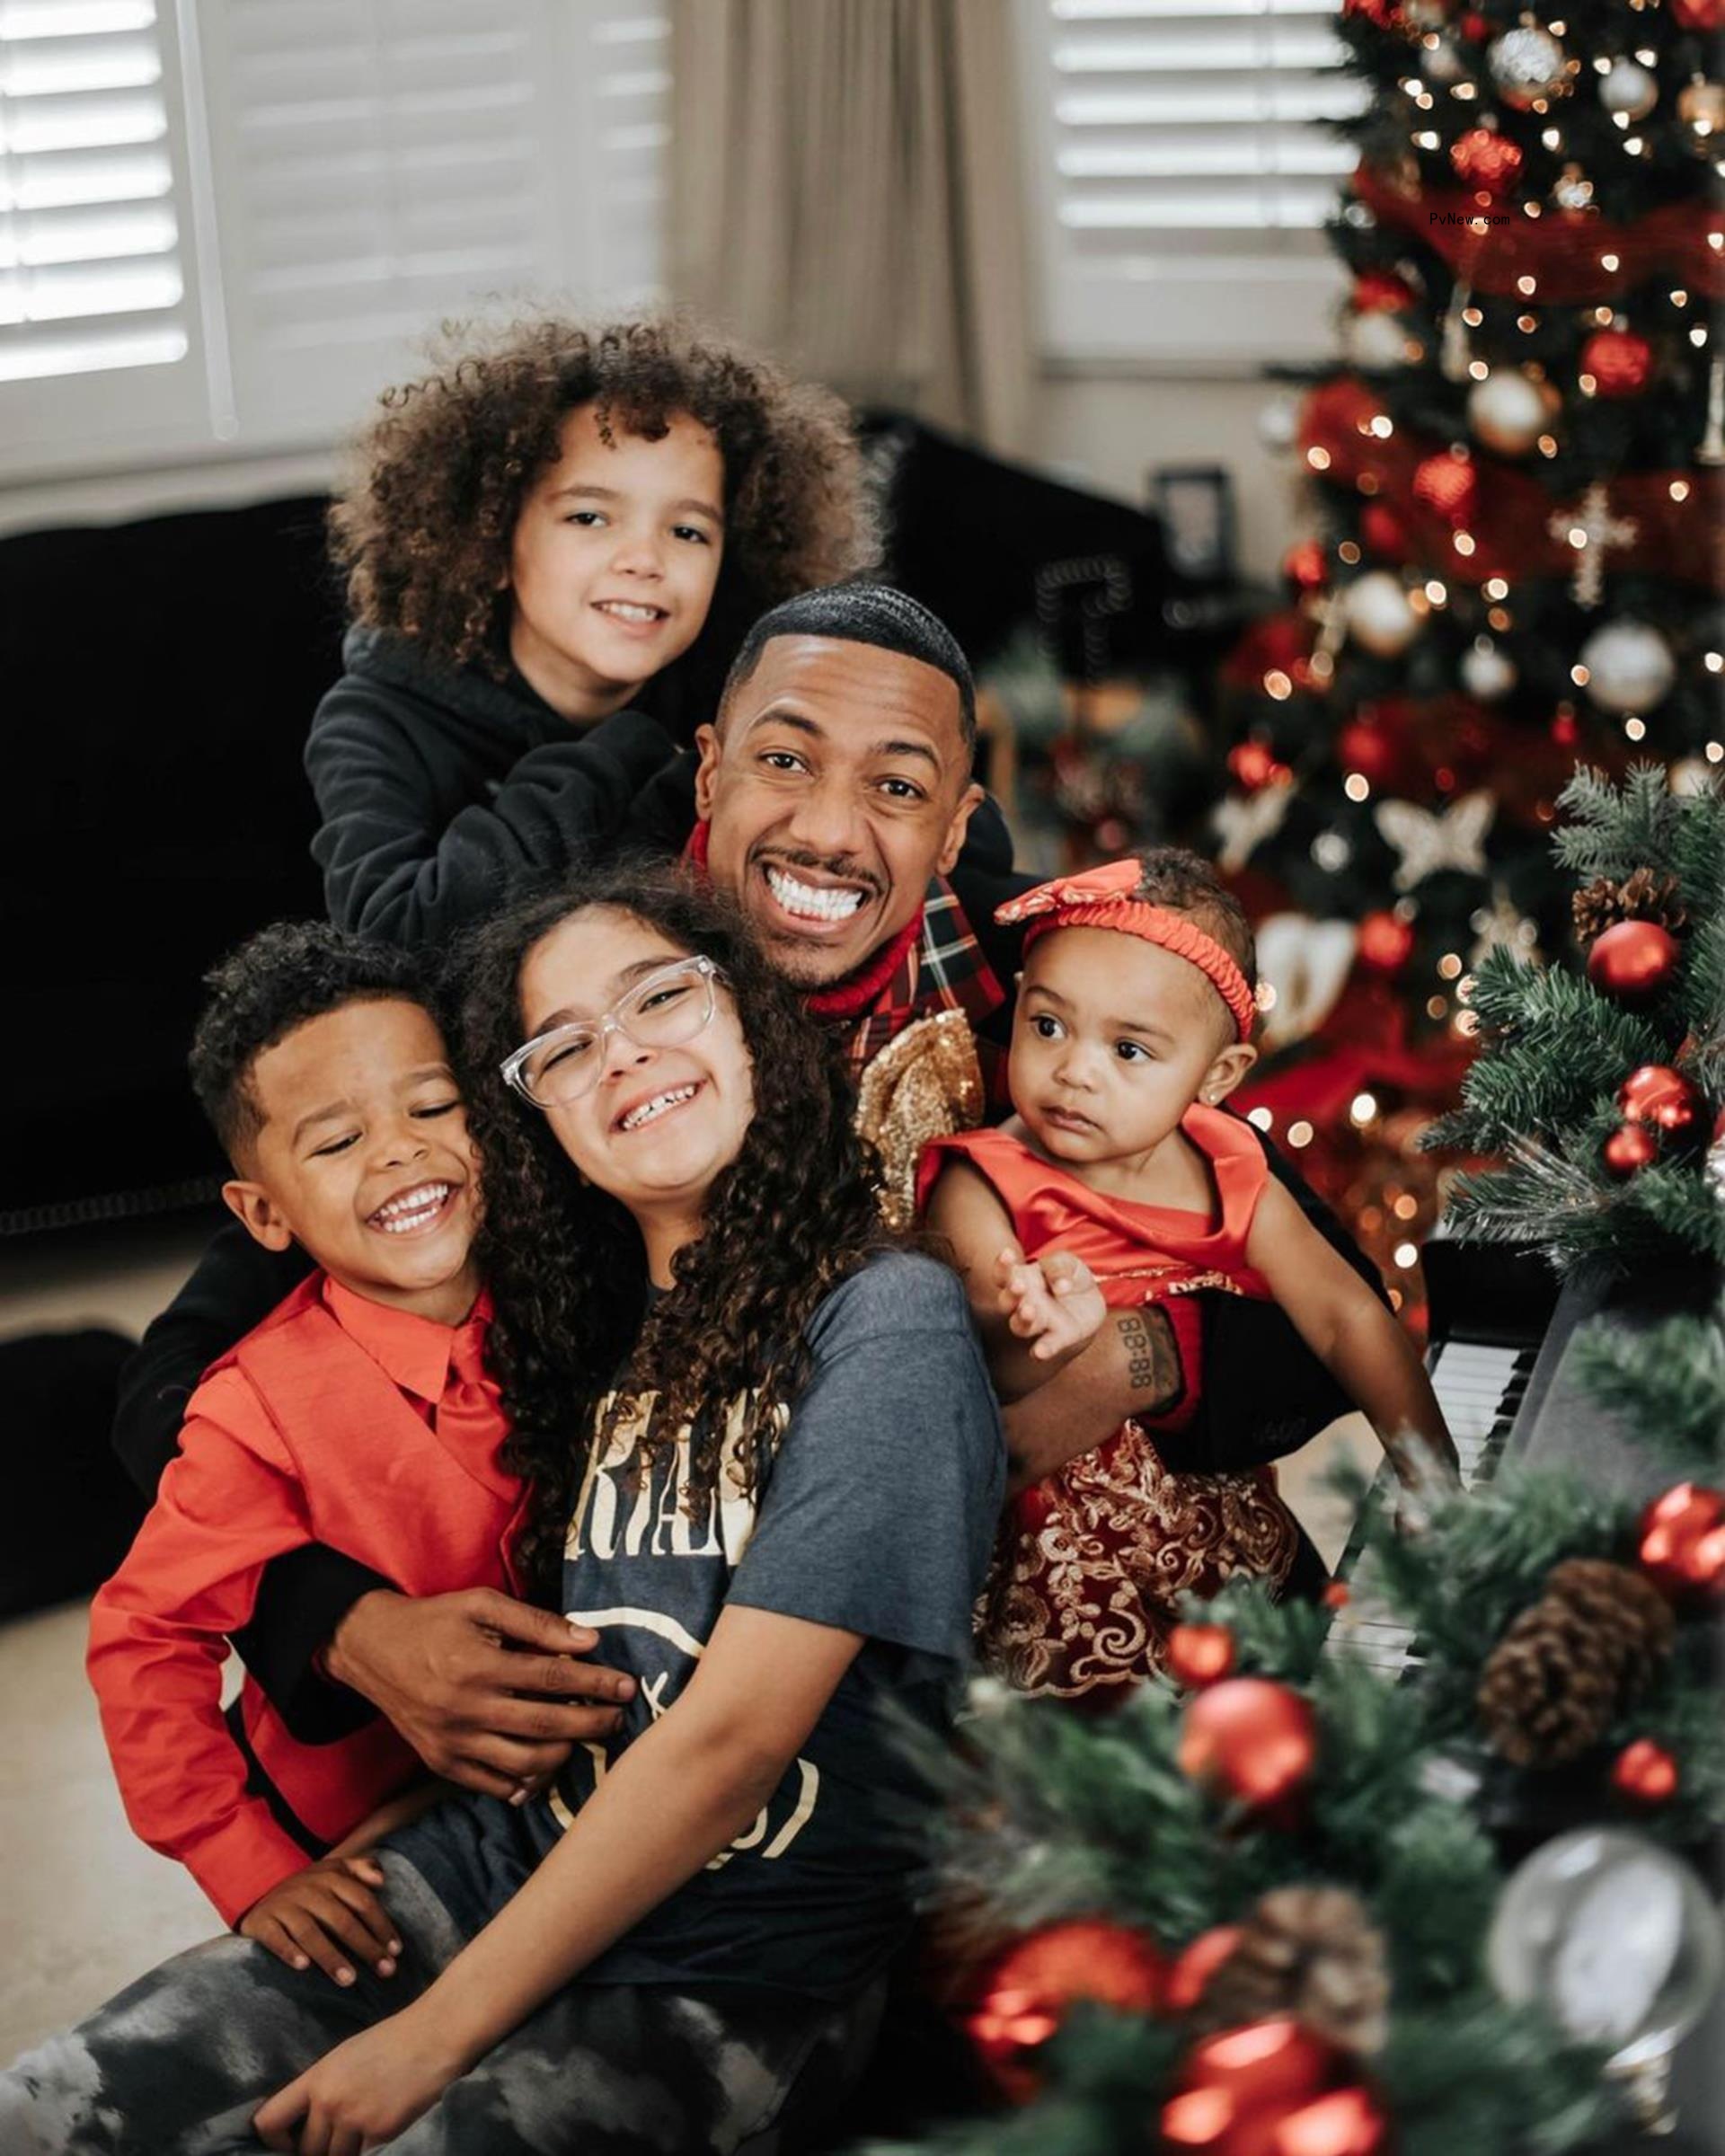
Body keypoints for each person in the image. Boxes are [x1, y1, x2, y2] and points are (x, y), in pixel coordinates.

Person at [115, 587, 1374, 1817]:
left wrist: (1134, 1358)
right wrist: (349, 1629)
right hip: (703, 1688)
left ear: (954, 826)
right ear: (710, 771)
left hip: (1093, 1650)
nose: (827, 831)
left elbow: (1333, 1307)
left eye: (896, 786)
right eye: (785, 760)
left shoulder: (1057, 993)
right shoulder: (545, 1006)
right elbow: (172, 1385)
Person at [2, 864, 1004, 2154]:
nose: (623, 1052)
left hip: (737, 1953)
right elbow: (605, 1678)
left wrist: (430, 2037)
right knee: (50, 2105)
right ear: (530, 1120)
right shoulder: (586, 1321)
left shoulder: (884, 1318)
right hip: (496, 1855)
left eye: (660, 997)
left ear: (751, 1015)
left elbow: (728, 1743)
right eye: (565, 1047)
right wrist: (331, 1847)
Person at [86, 924, 615, 1963]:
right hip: (354, 1851)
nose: (399, 1151)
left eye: (431, 1107)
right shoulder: (251, 1410)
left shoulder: (569, 1296)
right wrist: (243, 1862)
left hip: (562, 1796)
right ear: (263, 1214)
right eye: (336, 1143)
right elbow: (146, 1640)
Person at [919, 850, 1463, 1697]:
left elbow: (1345, 1318)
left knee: (1298, 1698)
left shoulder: (1231, 1171)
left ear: (1217, 1078)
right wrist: (1042, 1333)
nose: (1074, 1070)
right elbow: (988, 1379)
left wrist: (1428, 1468)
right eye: (1048, 1025)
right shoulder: (980, 1180)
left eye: (1129, 1049)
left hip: (1215, 1531)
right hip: (1058, 1576)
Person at [310, 313, 874, 950]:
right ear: (491, 544)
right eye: (589, 517)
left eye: (687, 531)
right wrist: (616, 755)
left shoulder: (732, 700)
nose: (644, 559)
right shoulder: (374, 721)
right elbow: (391, 937)